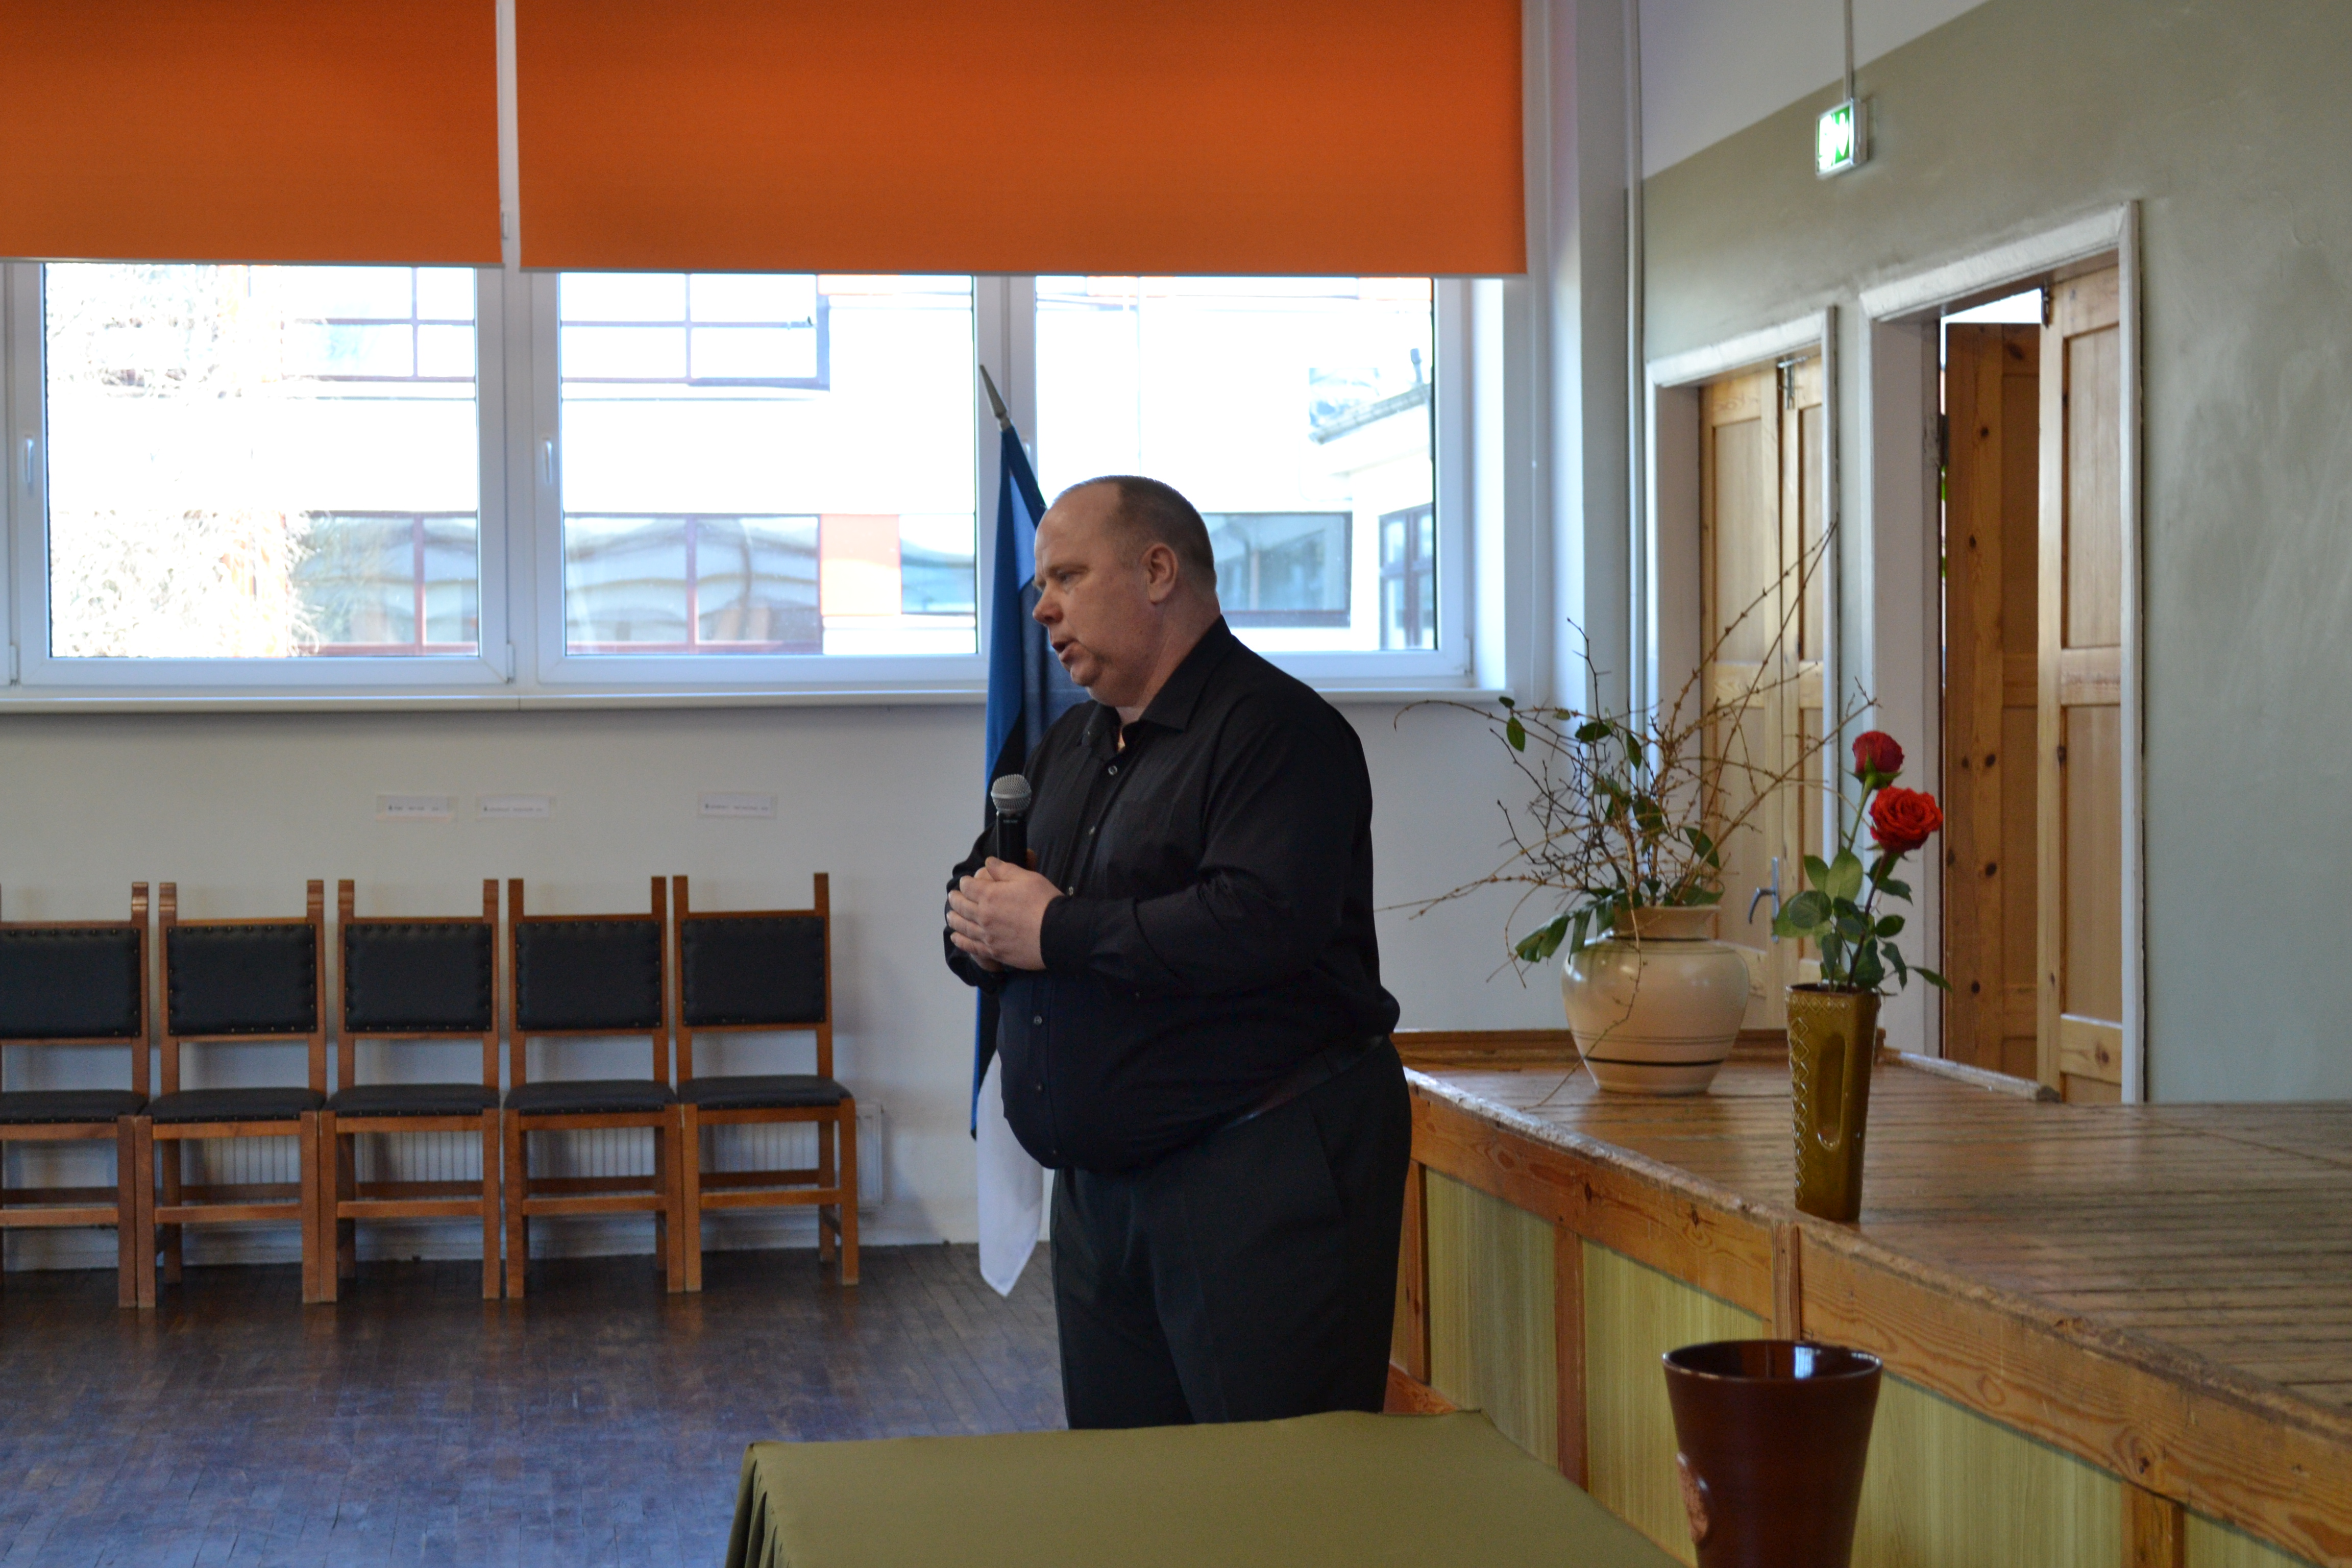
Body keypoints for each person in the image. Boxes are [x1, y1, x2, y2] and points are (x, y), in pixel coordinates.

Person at [943, 474, 1408, 1430]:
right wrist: (986, 935)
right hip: (1103, 1197)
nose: (1042, 609)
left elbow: (1256, 923)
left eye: (1067, 576)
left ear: (1158, 572)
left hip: (1255, 1180)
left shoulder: (1279, 732)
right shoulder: (1071, 744)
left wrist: (1052, 931)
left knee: (1272, 1492)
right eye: (1041, 584)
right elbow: (987, 892)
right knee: (1131, 1491)